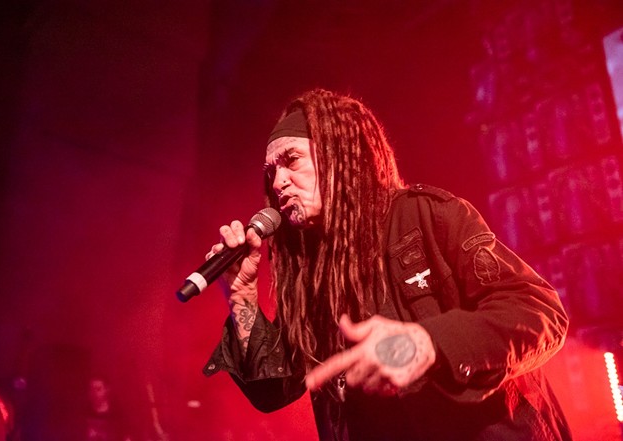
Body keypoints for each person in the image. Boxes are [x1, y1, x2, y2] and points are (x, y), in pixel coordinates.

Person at [202, 88, 572, 440]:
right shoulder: (309, 273)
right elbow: (273, 390)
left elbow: (539, 311)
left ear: (340, 154)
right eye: (270, 172)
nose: (278, 181)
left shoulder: (426, 216)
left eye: (292, 161)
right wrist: (242, 297)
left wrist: (427, 343)